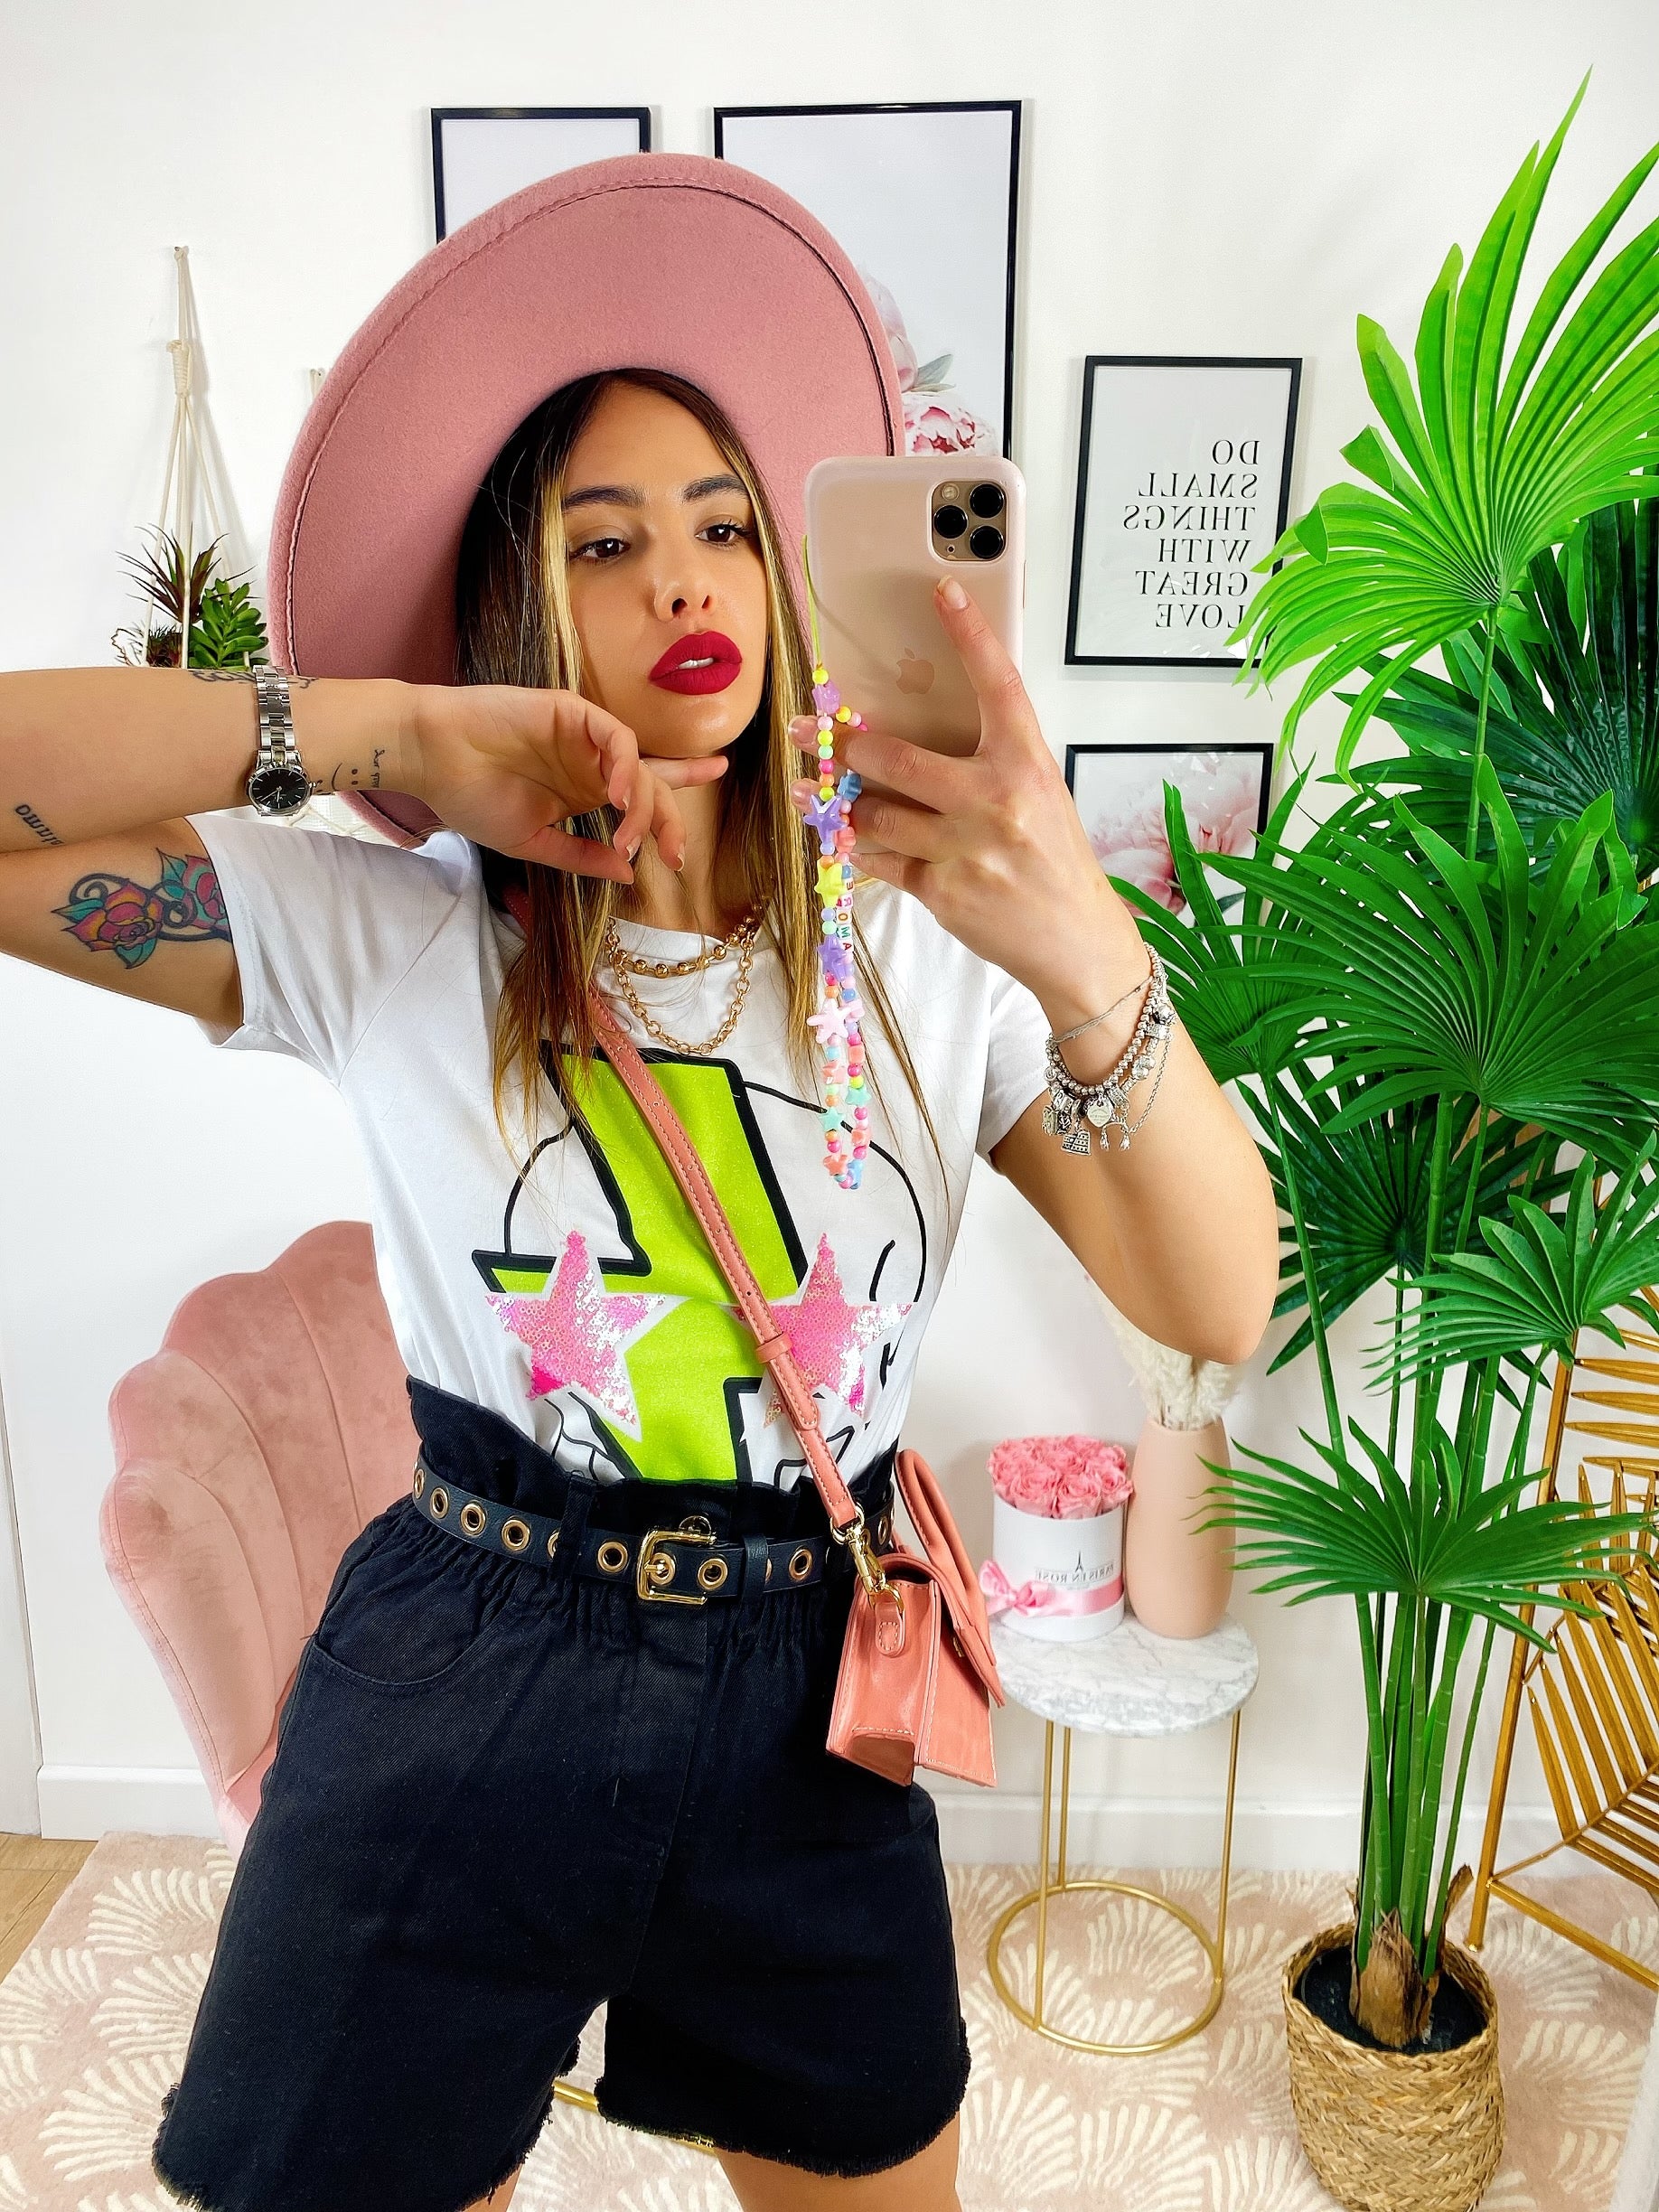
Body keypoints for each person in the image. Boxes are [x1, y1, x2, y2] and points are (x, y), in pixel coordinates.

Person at [0, 155, 1277, 2212]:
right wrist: (388, 729)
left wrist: (1080, 940)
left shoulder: (932, 953)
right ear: (520, 611)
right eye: (604, 542)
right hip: (469, 1659)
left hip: (812, 1687)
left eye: (723, 527)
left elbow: (1220, 1302)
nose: (685, 583)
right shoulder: (394, 935)